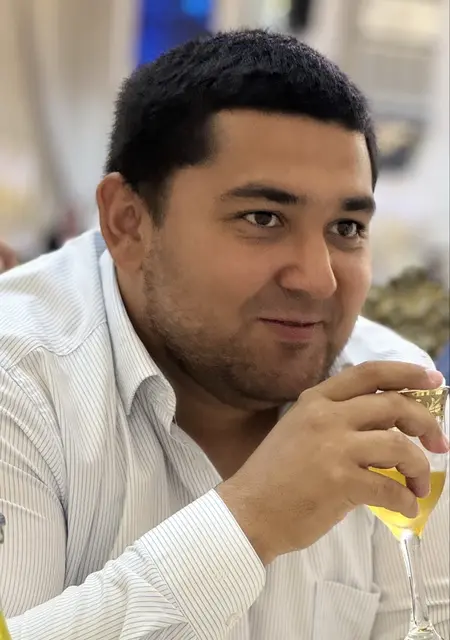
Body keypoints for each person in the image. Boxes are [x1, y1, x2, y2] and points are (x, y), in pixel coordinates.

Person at [0, 29, 448, 640]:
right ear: (129, 223)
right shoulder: (20, 377)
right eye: (263, 218)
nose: (318, 280)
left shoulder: (391, 392)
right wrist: (251, 521)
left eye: (346, 227)